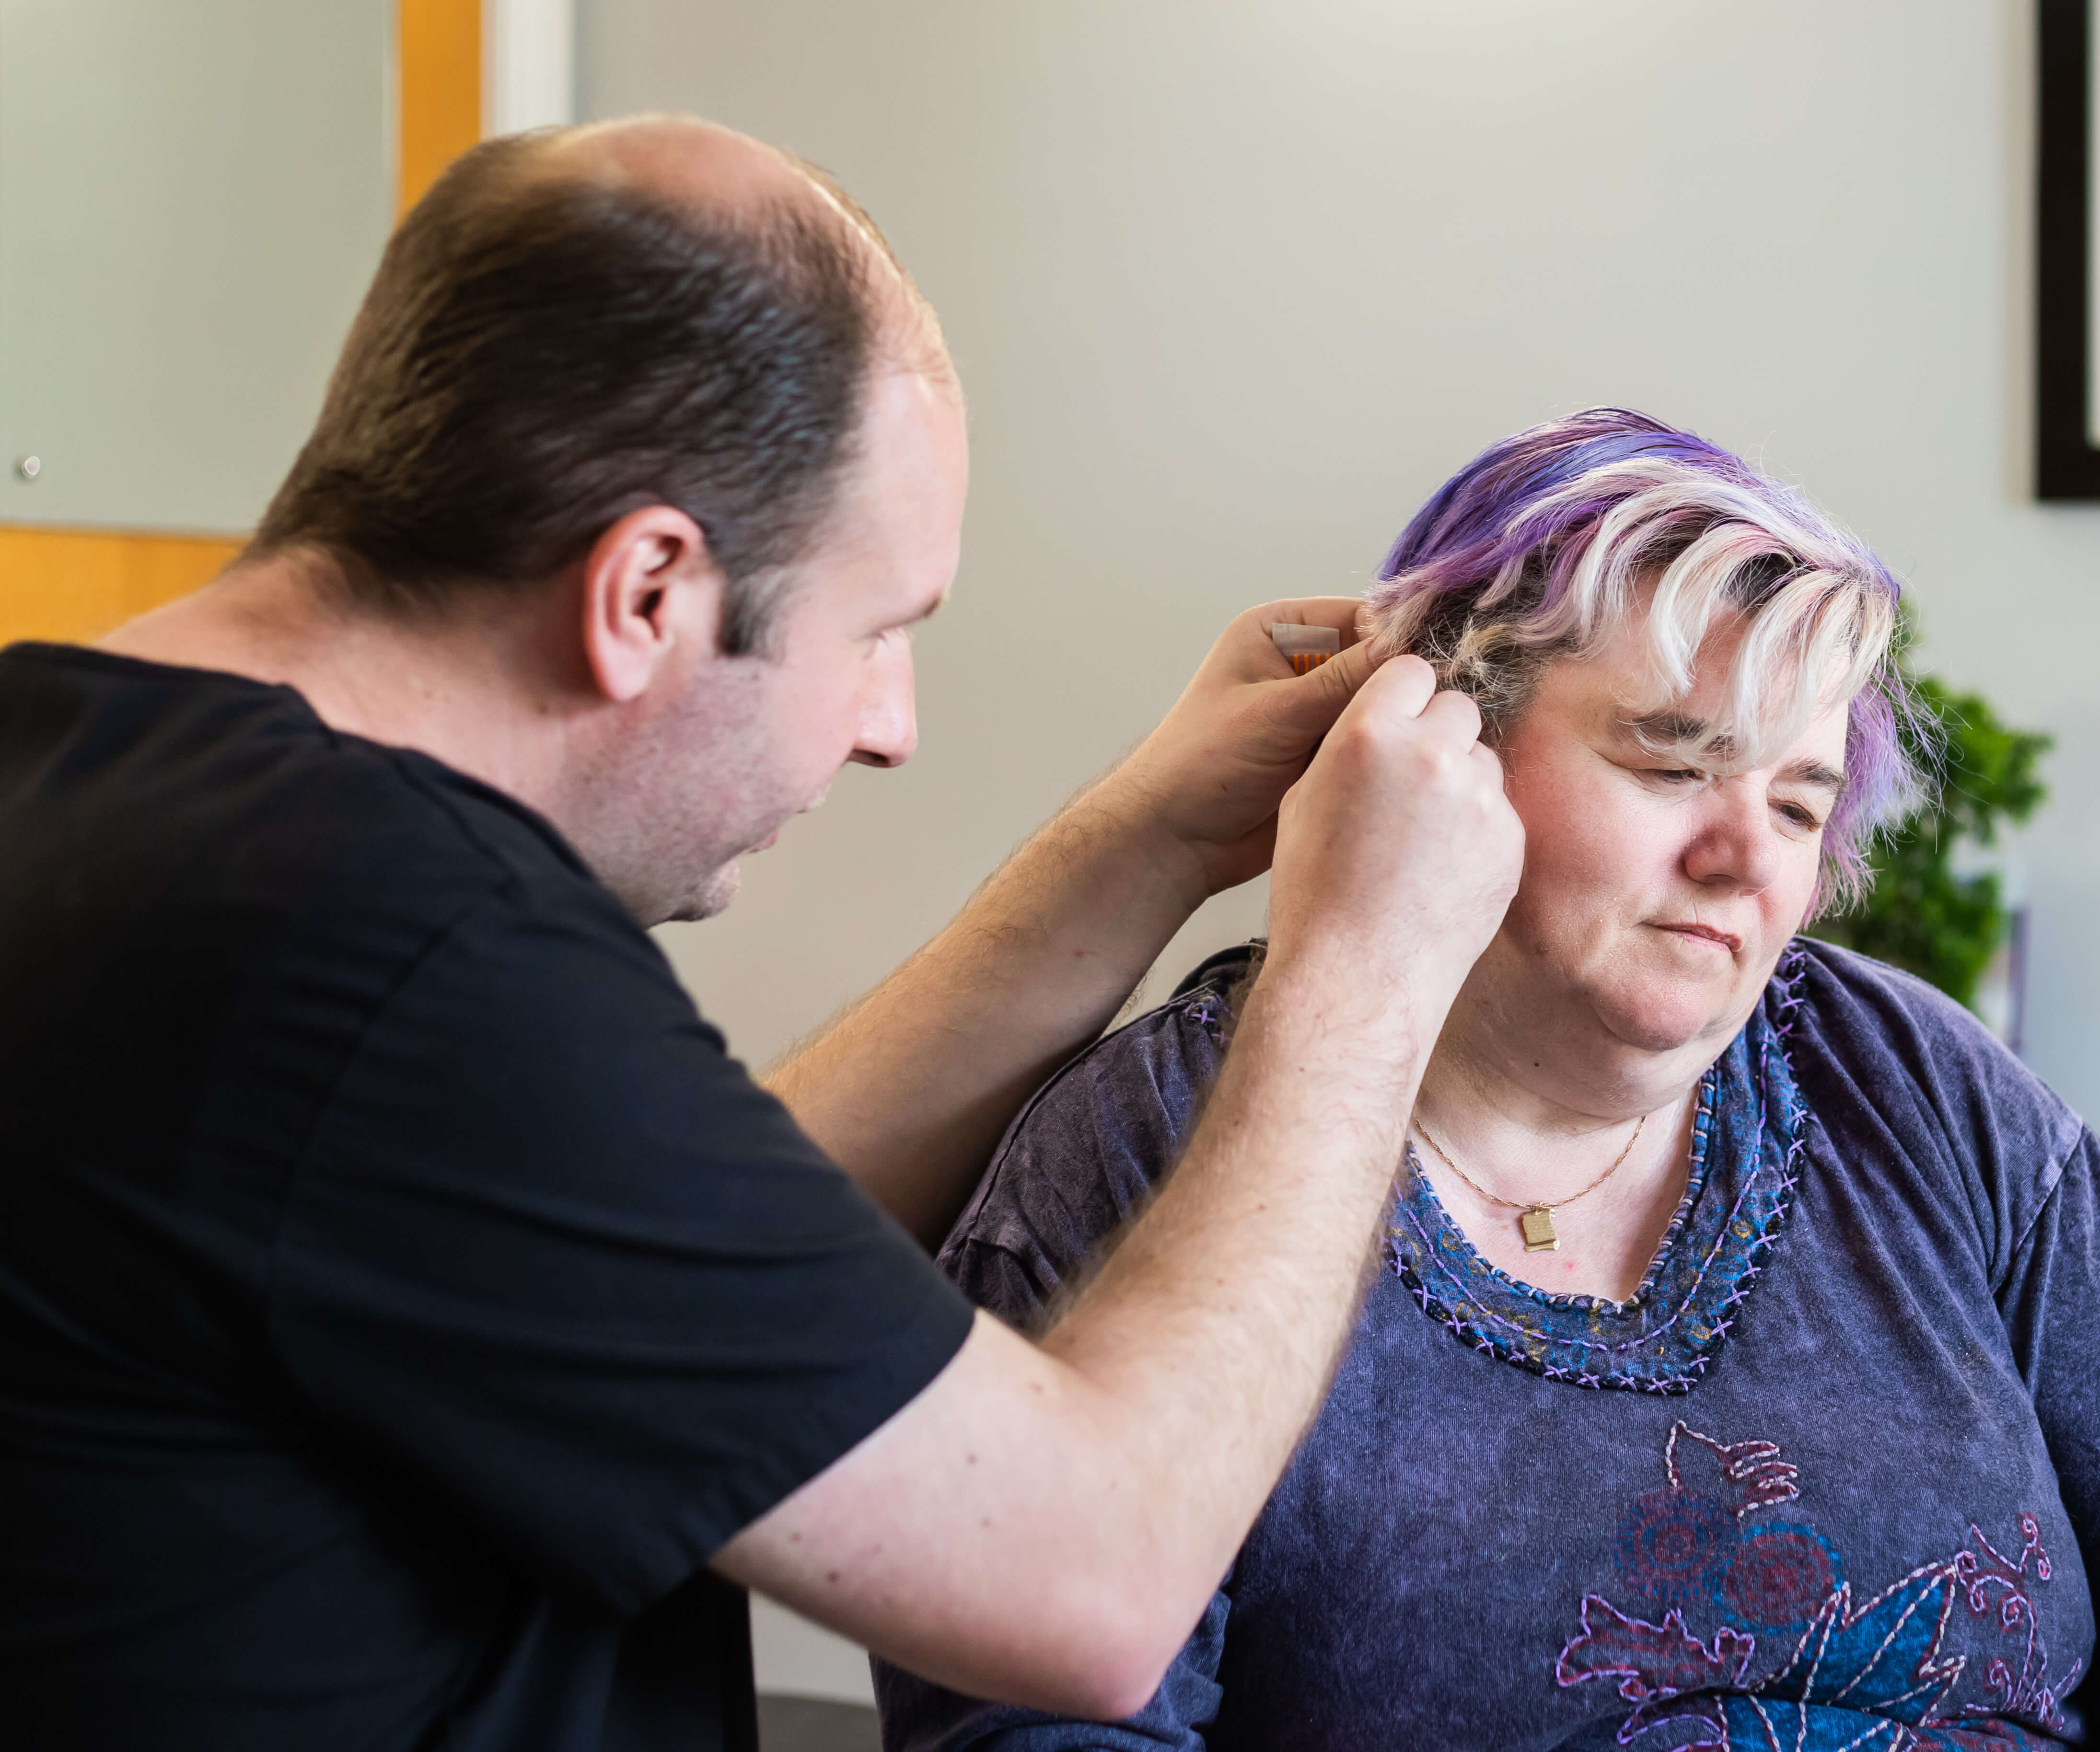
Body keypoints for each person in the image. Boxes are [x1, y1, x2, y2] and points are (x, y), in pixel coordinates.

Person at [0, 117, 1525, 1750]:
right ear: (648, 588)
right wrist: (1364, 969)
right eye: (877, 633)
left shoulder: (106, 801)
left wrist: (1150, 840)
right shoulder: (385, 954)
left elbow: (643, 1264)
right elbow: (1093, 1579)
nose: (892, 728)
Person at [875, 409, 2100, 1750]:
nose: (1746, 858)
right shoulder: (1141, 1160)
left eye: (1800, 801)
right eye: (1673, 766)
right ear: (1431, 753)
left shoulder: (1928, 1097)